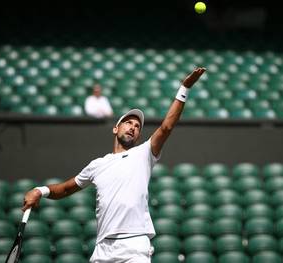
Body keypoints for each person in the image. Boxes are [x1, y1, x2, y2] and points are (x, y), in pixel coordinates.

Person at [22, 67, 207, 262]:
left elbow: (167, 127)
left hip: (135, 246)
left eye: (137, 127)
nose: (133, 128)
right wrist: (39, 191)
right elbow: (66, 188)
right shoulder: (97, 165)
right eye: (128, 123)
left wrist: (184, 88)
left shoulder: (144, 153)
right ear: (116, 128)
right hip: (103, 249)